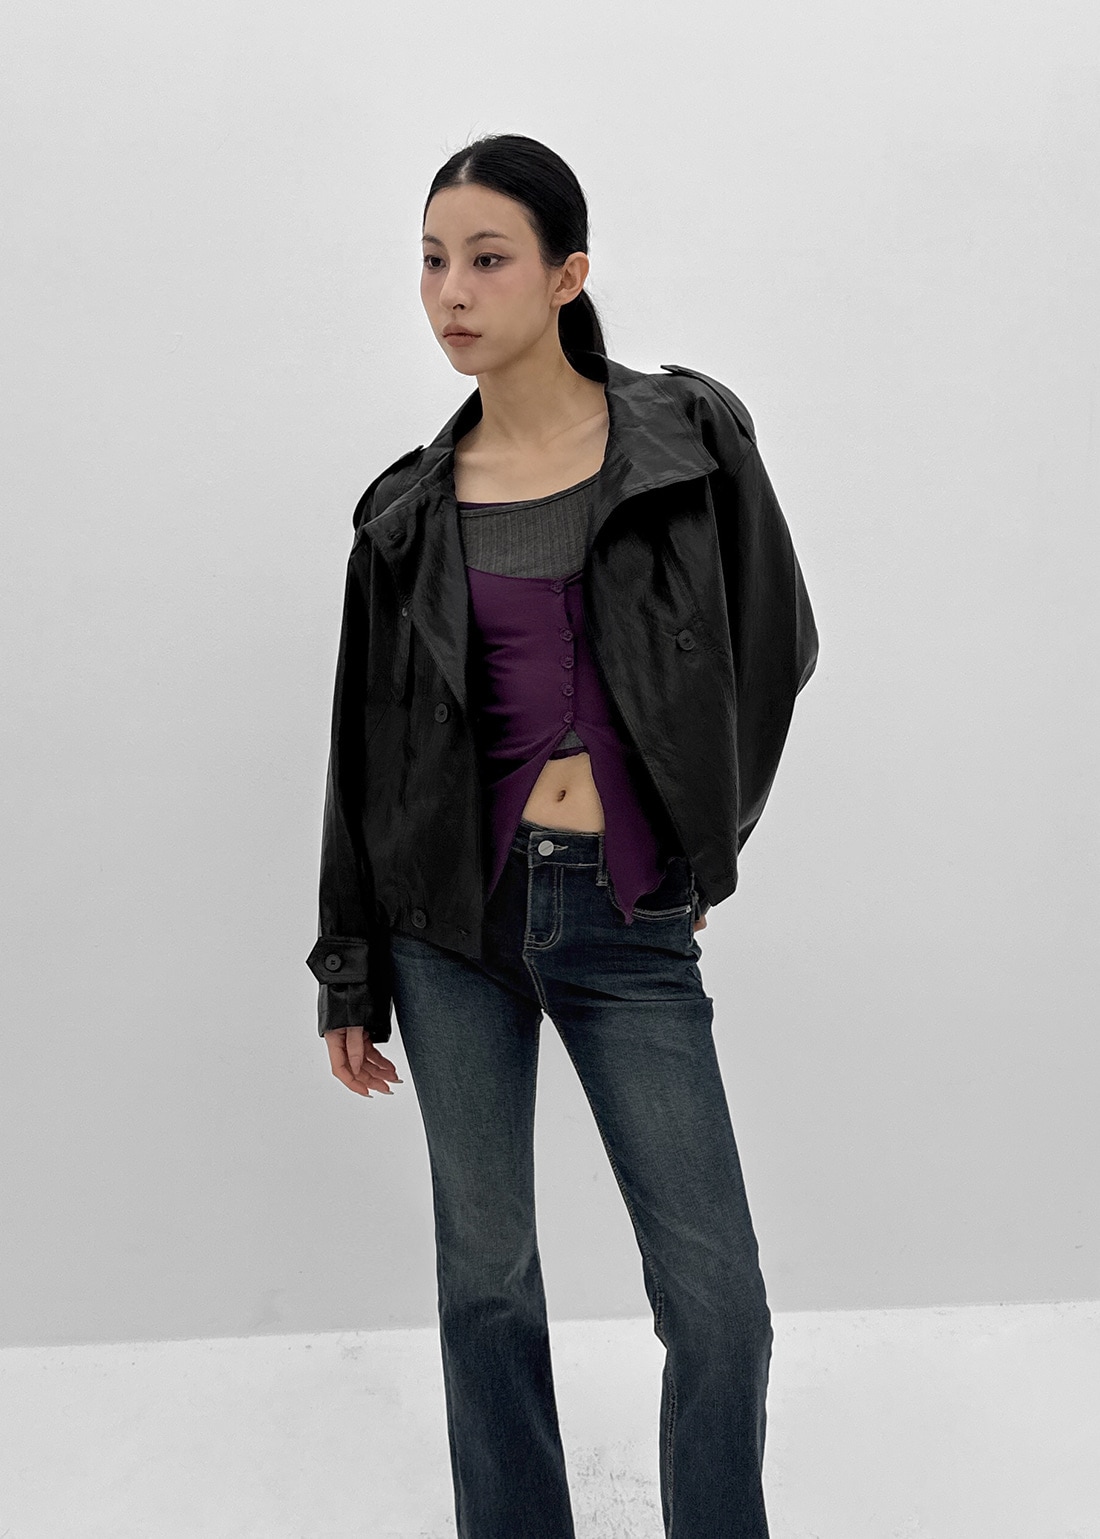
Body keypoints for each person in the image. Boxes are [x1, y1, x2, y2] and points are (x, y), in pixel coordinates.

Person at [307, 132, 819, 1539]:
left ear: (567, 275)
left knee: (717, 1299)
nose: (451, 292)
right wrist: (349, 970)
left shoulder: (688, 439)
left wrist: (702, 842)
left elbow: (776, 649)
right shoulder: (403, 516)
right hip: (451, 927)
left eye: (487, 259)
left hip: (627, 917)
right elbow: (362, 757)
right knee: (486, 1281)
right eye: (431, 261)